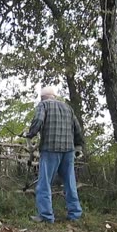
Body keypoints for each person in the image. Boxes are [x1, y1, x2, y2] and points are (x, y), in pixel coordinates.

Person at [25, 86, 83, 223]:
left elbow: (38, 121)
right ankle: (75, 214)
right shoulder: (68, 108)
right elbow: (77, 128)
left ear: (42, 97)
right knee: (70, 182)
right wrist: (78, 145)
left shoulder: (43, 105)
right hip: (68, 150)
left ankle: (46, 216)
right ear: (54, 96)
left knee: (44, 183)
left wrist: (30, 134)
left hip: (50, 149)